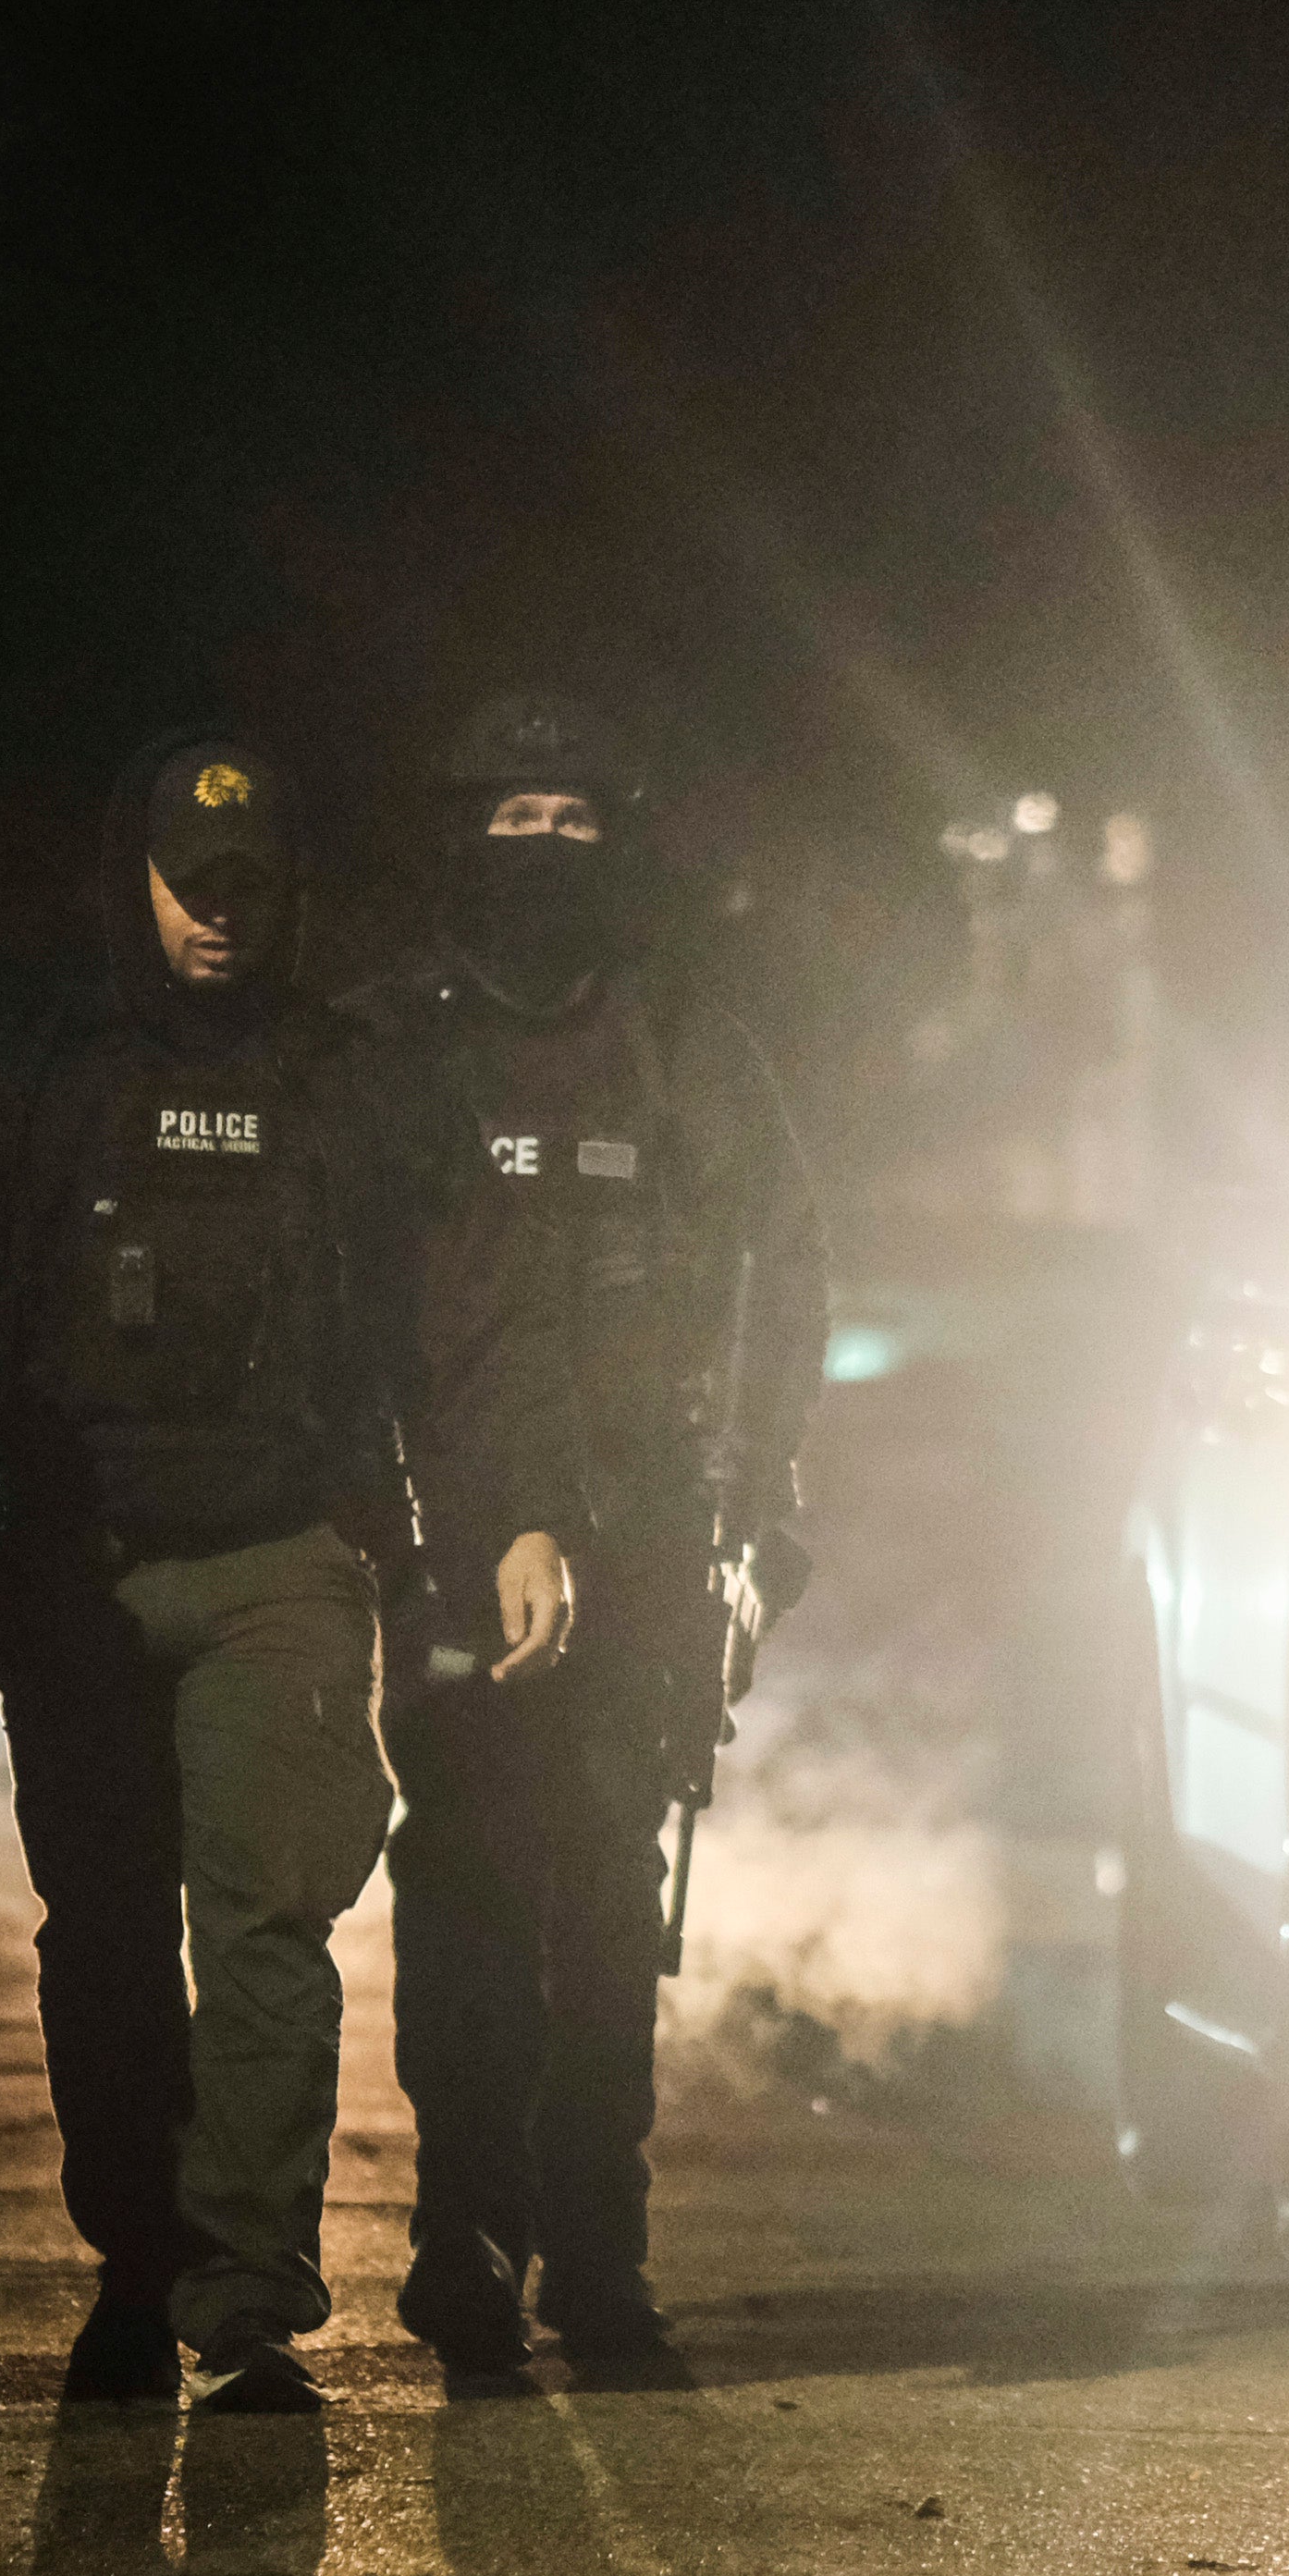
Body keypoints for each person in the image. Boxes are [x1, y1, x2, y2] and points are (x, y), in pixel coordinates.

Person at [340, 692, 825, 2373]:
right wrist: (424, 1527)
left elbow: (779, 1297)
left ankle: (597, 2259)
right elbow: (354, 1312)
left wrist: (759, 1530)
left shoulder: (690, 1046)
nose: (542, 852)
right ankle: (463, 2242)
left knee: (608, 1906)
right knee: (465, 1891)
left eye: (574, 819)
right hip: (450, 1542)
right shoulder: (393, 1051)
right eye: (508, 818)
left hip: (652, 1544)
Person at [0, 730, 411, 2414]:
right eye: (185, 884)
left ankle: (246, 2296)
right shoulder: (49, 1075)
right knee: (106, 1940)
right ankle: (132, 2264)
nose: (216, 918)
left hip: (279, 1558)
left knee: (272, 1932)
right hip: (82, 1565)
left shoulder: (348, 1078)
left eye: (247, 888)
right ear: (130, 879)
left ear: (289, 892)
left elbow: (438, 1320)